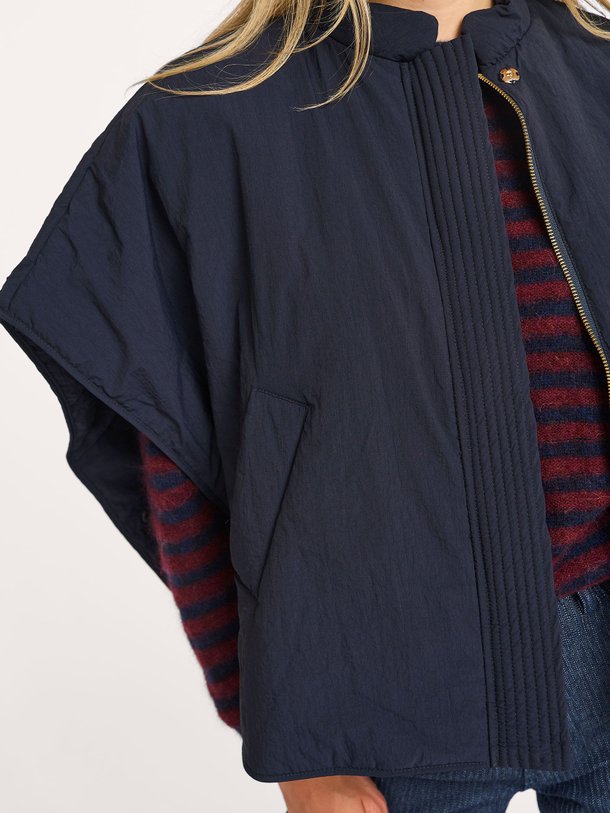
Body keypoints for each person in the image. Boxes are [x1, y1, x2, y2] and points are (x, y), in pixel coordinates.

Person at [1, 0, 609, 810]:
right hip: (385, 697)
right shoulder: (206, 117)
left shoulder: (597, 67)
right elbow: (172, 461)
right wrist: (287, 731)